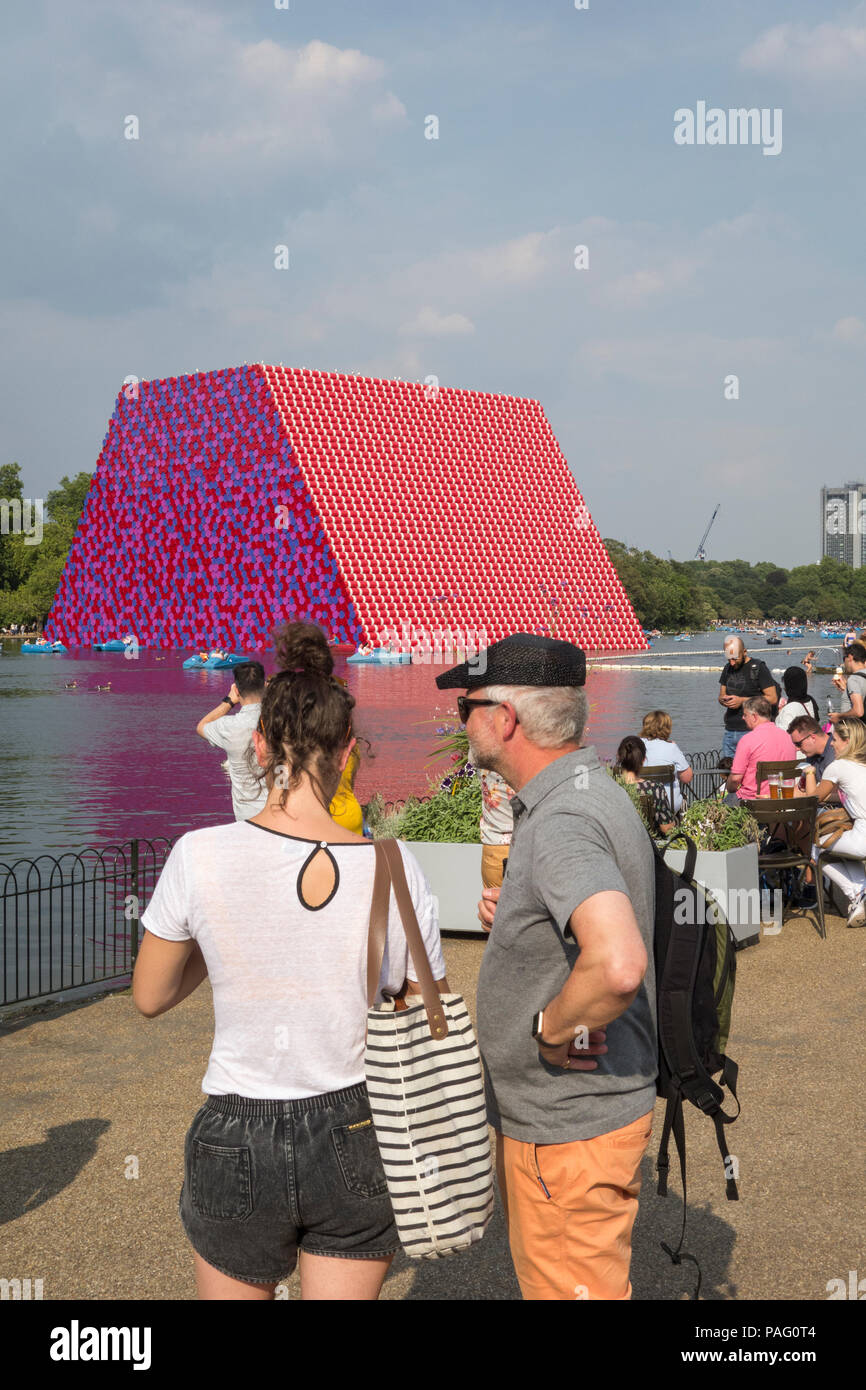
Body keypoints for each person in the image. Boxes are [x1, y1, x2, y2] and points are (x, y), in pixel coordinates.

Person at [134, 622, 448, 1300]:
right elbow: (430, 1007)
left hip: (235, 1127)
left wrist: (221, 943)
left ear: (258, 744)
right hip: (358, 1122)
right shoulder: (391, 865)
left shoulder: (200, 854)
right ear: (347, 751)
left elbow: (151, 996)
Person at [437, 633, 656, 1301]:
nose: (461, 721)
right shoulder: (592, 788)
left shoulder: (561, 818)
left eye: (465, 707)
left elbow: (617, 962)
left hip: (566, 1125)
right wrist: (526, 907)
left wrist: (551, 1033)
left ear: (504, 719)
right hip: (586, 1116)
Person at [797, 716, 866, 927]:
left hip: (862, 836)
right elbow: (848, 795)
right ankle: (860, 896)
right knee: (842, 850)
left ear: (847, 742)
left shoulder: (837, 766)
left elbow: (812, 800)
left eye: (835, 739)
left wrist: (809, 772)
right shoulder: (861, 765)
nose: (832, 743)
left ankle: (856, 893)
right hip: (859, 834)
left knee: (815, 846)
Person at [196, 662, 268, 820]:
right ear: (265, 685)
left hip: (247, 817)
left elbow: (202, 726)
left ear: (236, 689)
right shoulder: (284, 721)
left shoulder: (229, 726)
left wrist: (228, 701)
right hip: (282, 817)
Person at [724, 696, 797, 802]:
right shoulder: (788, 737)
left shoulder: (748, 740)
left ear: (754, 717)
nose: (743, 718)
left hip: (752, 801)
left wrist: (729, 788)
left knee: (716, 810)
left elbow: (735, 779)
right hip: (783, 800)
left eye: (745, 715)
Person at [718, 637, 778, 758]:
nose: (732, 663)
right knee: (728, 773)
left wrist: (742, 701)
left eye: (735, 658)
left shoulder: (758, 668)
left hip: (751, 731)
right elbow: (721, 695)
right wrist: (723, 700)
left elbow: (772, 698)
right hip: (730, 730)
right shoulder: (727, 668)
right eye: (729, 659)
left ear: (744, 652)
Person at [614, 735, 675, 835]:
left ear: (619, 757)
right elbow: (667, 829)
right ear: (643, 760)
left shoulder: (611, 787)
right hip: (648, 846)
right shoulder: (655, 788)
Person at [638, 710, 693, 814]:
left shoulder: (635, 745)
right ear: (667, 728)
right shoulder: (671, 747)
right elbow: (687, 778)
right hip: (668, 805)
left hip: (640, 804)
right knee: (683, 799)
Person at [475, 765, 515, 888]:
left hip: (494, 847)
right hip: (530, 845)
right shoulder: (537, 752)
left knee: (495, 906)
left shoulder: (484, 749)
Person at [788, 716, 836, 781]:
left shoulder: (837, 753)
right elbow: (801, 789)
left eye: (798, 744)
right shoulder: (811, 754)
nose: (797, 749)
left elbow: (828, 791)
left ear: (812, 738)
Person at [830, 642, 866, 724]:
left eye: (844, 659)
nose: (844, 663)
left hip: (856, 730)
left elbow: (858, 712)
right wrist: (845, 690)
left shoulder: (854, 679)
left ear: (850, 657)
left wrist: (838, 717)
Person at [775, 666, 819, 731]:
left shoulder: (790, 709)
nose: (783, 687)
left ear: (788, 685)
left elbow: (784, 735)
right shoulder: (811, 700)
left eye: (784, 683)